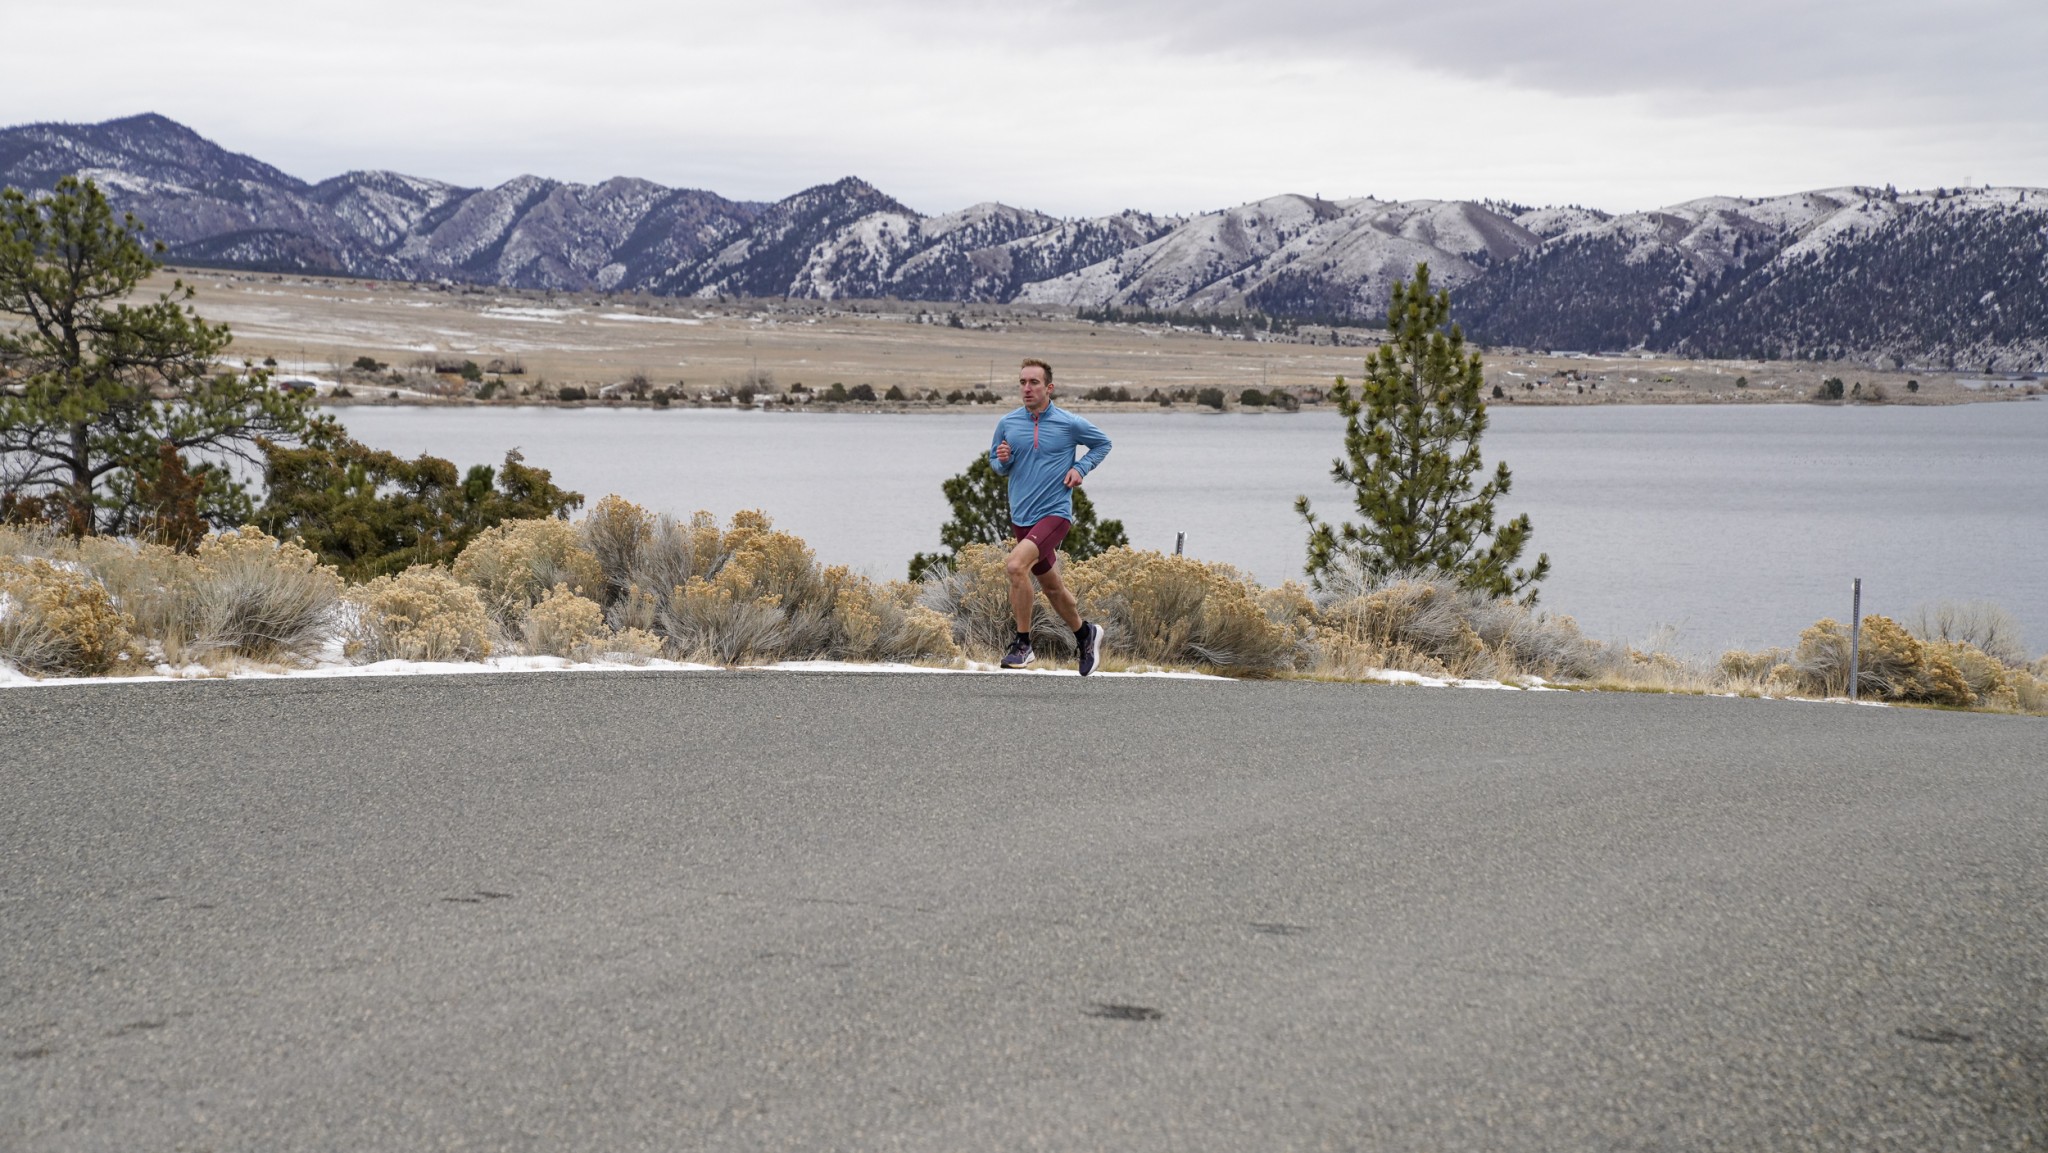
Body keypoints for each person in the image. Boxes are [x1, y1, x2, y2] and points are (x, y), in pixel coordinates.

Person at [989, 358, 1111, 674]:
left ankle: (1023, 644)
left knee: (1015, 566)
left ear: (1049, 387)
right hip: (1021, 516)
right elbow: (997, 464)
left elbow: (1103, 444)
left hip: (1055, 513)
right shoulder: (1008, 423)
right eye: (1022, 382)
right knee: (1052, 587)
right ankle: (1085, 634)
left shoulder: (1069, 423)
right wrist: (1003, 460)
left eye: (1034, 382)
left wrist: (1080, 468)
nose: (1027, 388)